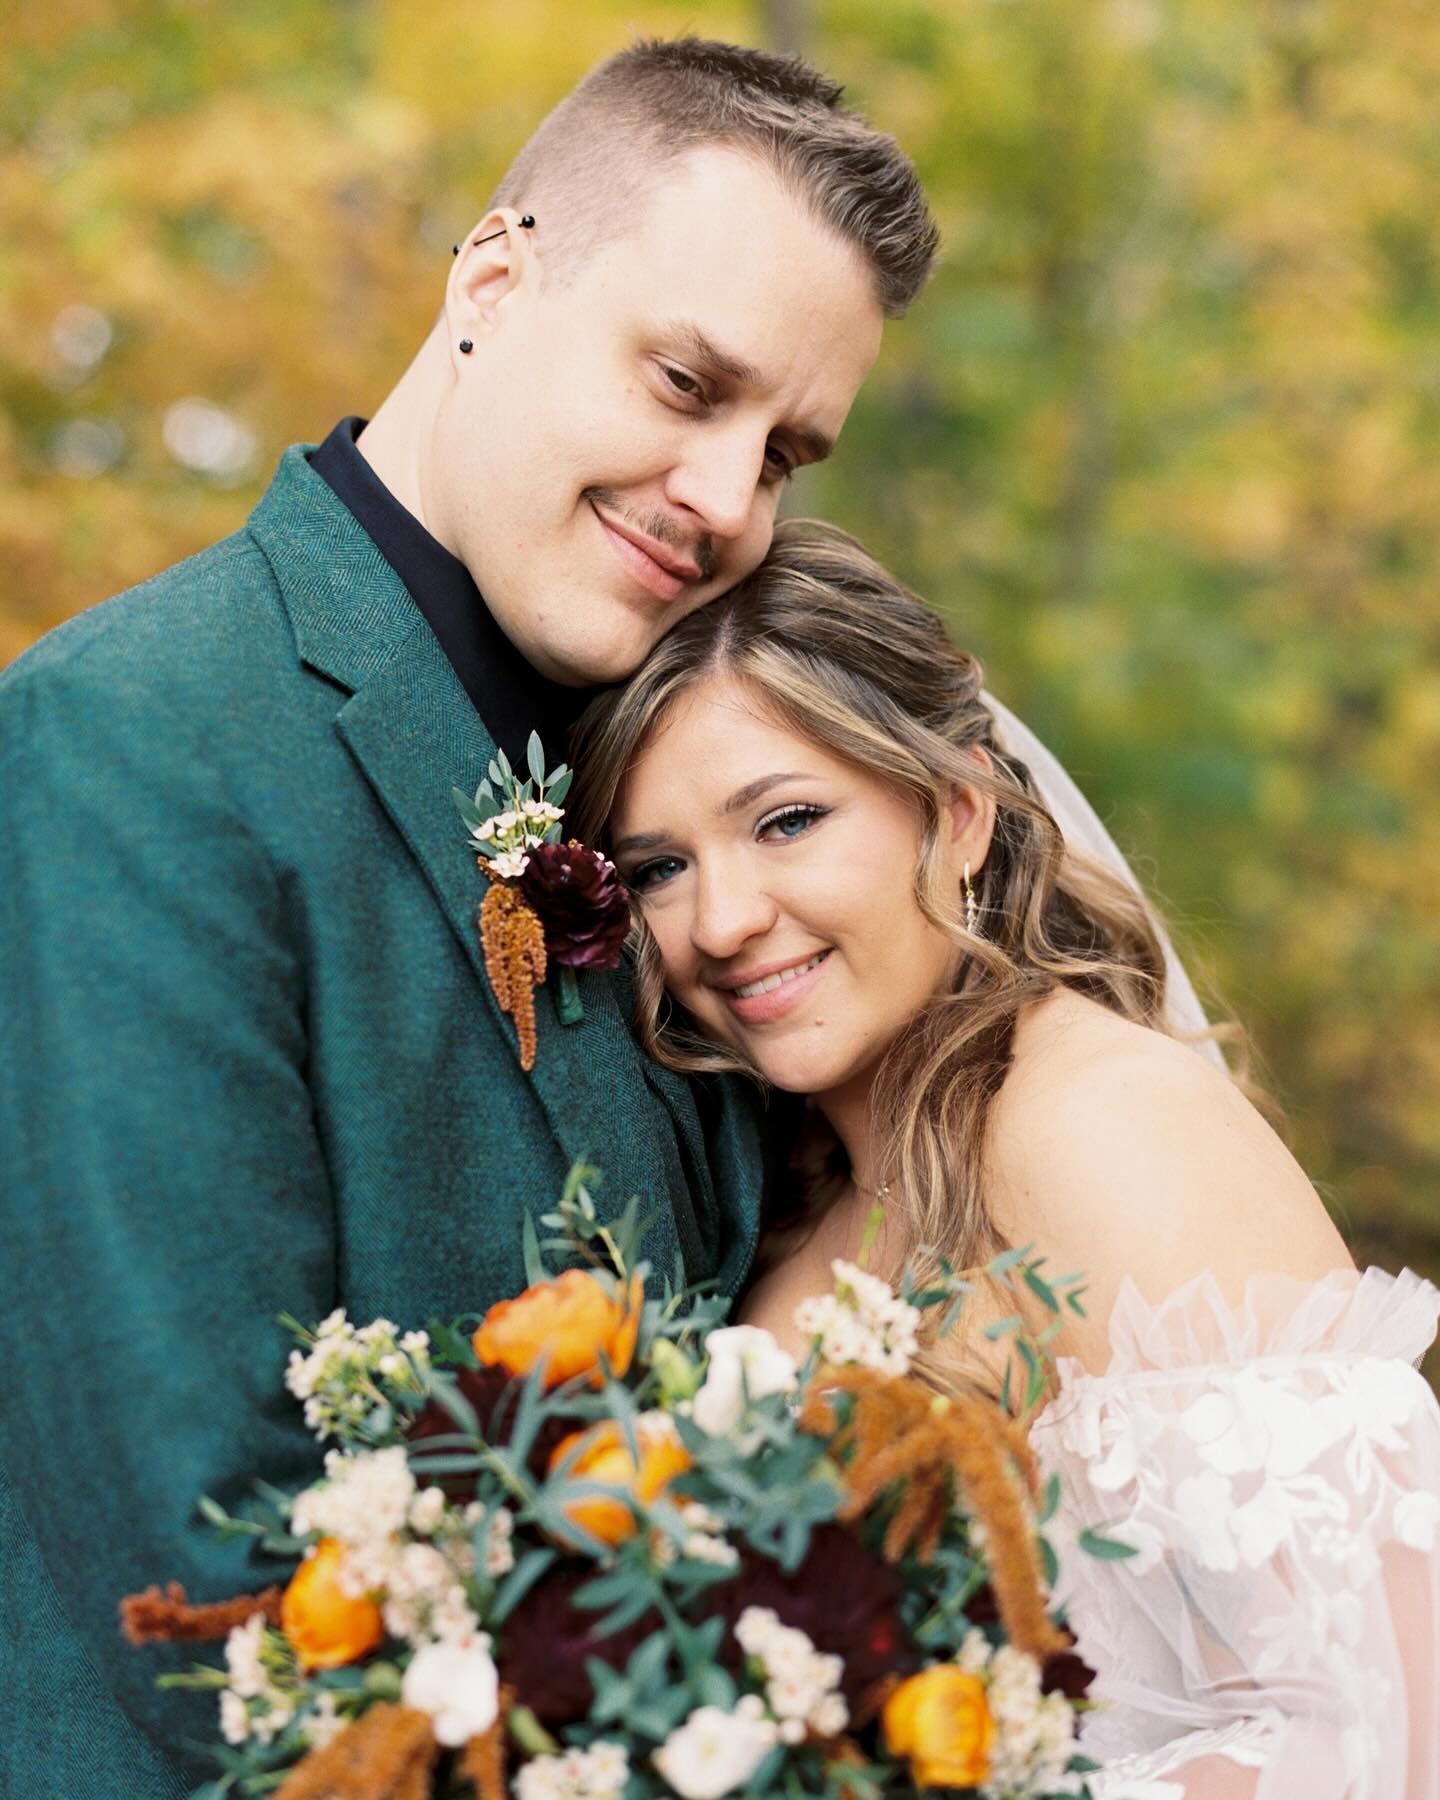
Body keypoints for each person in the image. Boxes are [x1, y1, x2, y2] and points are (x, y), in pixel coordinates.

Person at [0, 40, 936, 1797]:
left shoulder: (674, 799)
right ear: (494, 277)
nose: (729, 498)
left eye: (786, 448)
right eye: (685, 381)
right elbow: (206, 1583)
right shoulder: (133, 741)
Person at [570, 518, 1440, 1798]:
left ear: (961, 811)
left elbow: (1380, 1722)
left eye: (788, 820)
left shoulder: (1102, 1129)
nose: (724, 920)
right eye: (660, 868)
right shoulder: (790, 1187)